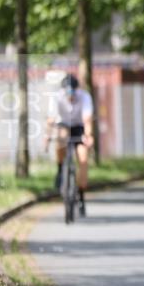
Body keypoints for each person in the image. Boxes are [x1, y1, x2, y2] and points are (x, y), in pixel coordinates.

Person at [44, 74, 94, 217]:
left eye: (72, 94)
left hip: (79, 126)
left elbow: (87, 120)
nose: (70, 97)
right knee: (61, 139)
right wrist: (47, 136)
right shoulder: (56, 97)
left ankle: (81, 197)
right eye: (67, 94)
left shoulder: (85, 97)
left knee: (83, 159)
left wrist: (88, 136)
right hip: (64, 125)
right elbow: (51, 119)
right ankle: (60, 170)